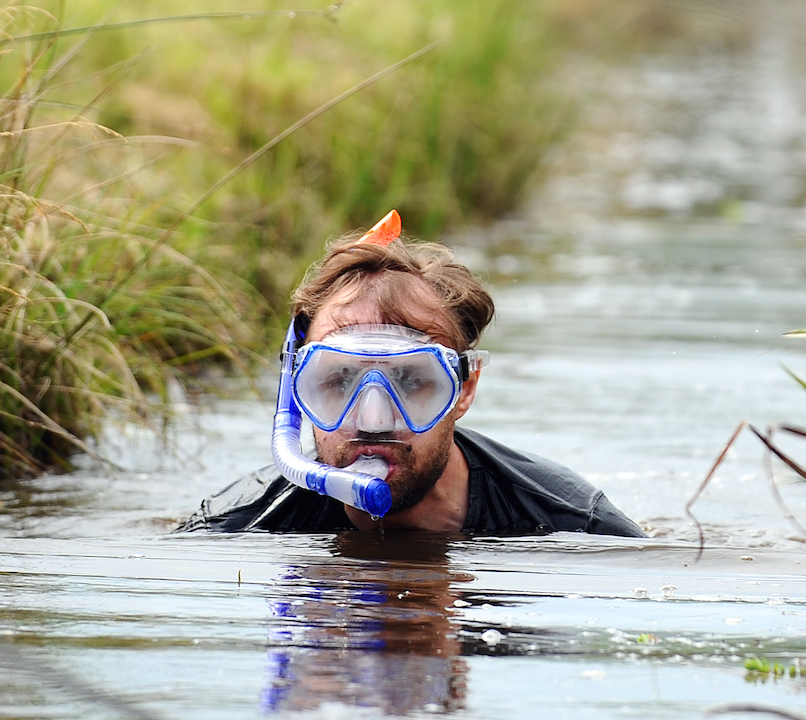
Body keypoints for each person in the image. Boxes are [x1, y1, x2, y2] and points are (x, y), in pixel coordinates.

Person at [183, 215, 646, 537]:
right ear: (297, 391)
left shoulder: (574, 526)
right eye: (339, 379)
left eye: (410, 380)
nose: (373, 420)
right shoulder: (236, 525)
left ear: (464, 388)